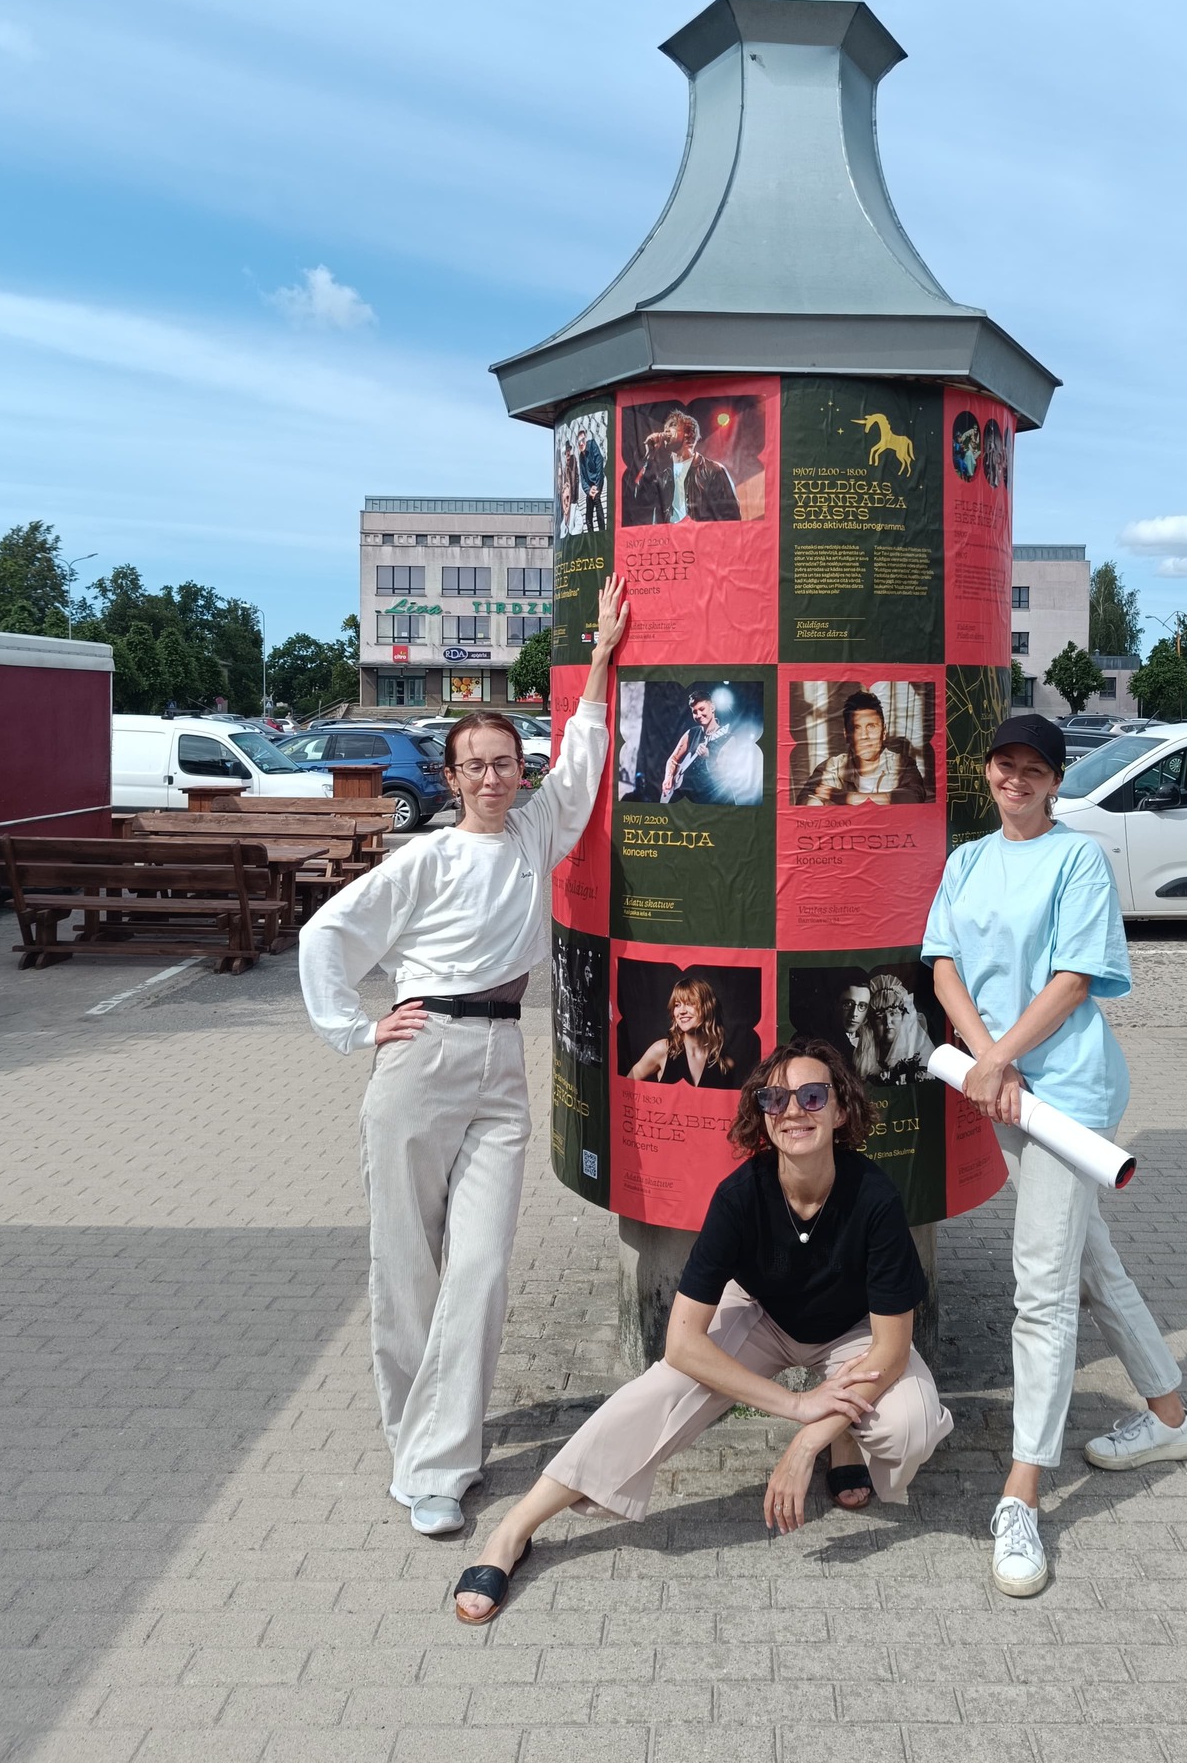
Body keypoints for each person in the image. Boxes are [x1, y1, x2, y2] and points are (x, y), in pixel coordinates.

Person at [298, 576, 630, 1538]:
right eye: (475, 766)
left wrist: (601, 658)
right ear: (450, 778)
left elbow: (583, 759)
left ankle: (434, 1451)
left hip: (501, 1063)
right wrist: (356, 1031)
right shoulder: (425, 860)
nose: (492, 778)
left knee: (478, 1269)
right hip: (421, 1059)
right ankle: (427, 1456)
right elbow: (327, 936)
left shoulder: (535, 832)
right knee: (406, 1266)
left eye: (504, 762)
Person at [450, 1040, 954, 1623]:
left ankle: (841, 1442)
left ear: (841, 1110)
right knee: (659, 1390)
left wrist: (806, 1440)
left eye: (813, 1096)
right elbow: (683, 1343)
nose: (794, 1110)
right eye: (776, 1099)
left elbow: (891, 1350)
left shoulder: (876, 1198)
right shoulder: (740, 1196)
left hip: (853, 1335)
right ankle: (515, 1529)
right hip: (763, 1314)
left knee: (910, 1424)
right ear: (764, 1114)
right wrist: (795, 1405)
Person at [922, 712, 1187, 1600]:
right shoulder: (967, 860)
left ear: (1055, 779)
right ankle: (1169, 1416)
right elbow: (943, 964)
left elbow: (1074, 979)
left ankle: (1022, 1494)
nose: (1017, 779)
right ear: (988, 773)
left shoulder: (1078, 859)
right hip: (1002, 1088)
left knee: (1040, 1284)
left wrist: (999, 1061)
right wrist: (985, 1060)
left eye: (1033, 768)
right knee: (1086, 1260)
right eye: (1005, 764)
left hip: (1067, 1094)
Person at [797, 690, 927, 806]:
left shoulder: (903, 765)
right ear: (846, 735)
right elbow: (806, 803)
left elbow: (913, 798)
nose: (864, 736)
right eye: (856, 728)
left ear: (884, 732)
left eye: (871, 726)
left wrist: (844, 797)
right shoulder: (832, 767)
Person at [627, 974, 751, 1087]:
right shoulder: (662, 1050)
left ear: (707, 1008)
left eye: (690, 1003)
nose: (681, 1011)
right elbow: (625, 1087)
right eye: (677, 1005)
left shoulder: (726, 1064)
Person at [625, 407, 741, 525]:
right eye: (665, 428)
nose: (666, 431)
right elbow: (639, 502)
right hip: (669, 535)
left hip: (700, 535)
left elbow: (731, 516)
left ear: (688, 433)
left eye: (672, 425)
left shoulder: (713, 470)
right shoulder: (663, 475)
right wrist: (650, 456)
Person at [661, 682, 762, 805]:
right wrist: (668, 777)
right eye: (694, 711)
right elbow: (673, 759)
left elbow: (724, 775)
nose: (698, 715)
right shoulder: (691, 733)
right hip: (692, 798)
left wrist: (708, 756)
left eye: (702, 709)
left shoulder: (728, 738)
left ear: (712, 708)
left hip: (714, 801)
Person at [576, 422, 607, 533]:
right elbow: (582, 477)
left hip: (597, 481)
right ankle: (590, 534)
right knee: (588, 513)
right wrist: (589, 490)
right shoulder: (581, 456)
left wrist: (597, 487)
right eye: (579, 442)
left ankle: (602, 532)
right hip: (590, 487)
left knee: (597, 501)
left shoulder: (593, 445)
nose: (581, 443)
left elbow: (599, 464)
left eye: (583, 440)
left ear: (586, 439)